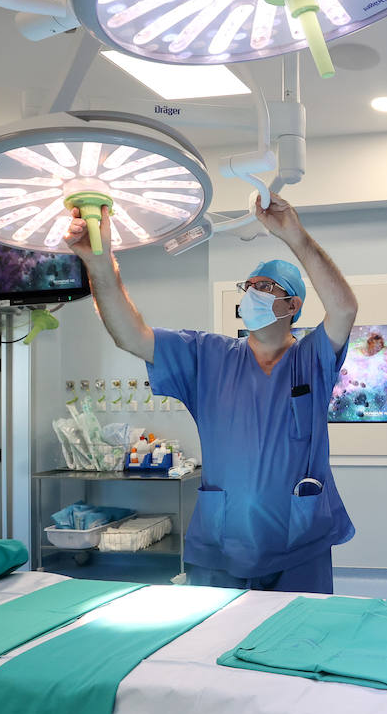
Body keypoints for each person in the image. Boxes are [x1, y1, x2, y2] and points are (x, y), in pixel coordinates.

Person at [65, 194, 359, 592]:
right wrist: (99, 262)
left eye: (265, 287)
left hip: (299, 543)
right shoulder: (208, 356)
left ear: (292, 305)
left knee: (295, 643)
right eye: (248, 287)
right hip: (222, 543)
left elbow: (343, 309)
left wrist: (294, 235)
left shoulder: (311, 360)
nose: (251, 293)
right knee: (210, 646)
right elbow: (130, 335)